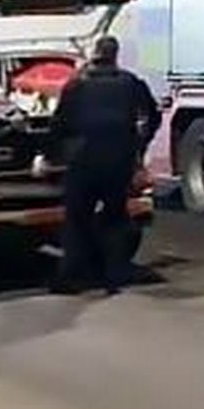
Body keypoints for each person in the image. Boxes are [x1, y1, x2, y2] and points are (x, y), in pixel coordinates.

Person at [49, 35, 161, 295]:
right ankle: (114, 273)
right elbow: (152, 115)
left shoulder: (76, 85)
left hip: (84, 160)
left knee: (77, 220)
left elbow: (58, 124)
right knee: (114, 217)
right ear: (115, 55)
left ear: (95, 54)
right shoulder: (130, 83)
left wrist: (53, 155)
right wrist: (139, 145)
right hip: (119, 162)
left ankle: (70, 278)